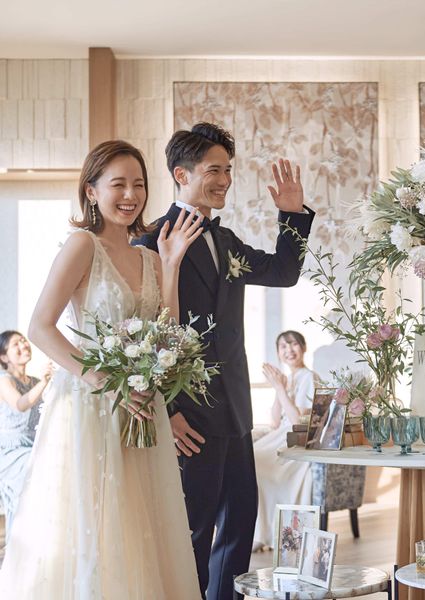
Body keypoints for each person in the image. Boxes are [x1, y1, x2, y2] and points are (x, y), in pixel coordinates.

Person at [0, 140, 203, 598]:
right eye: (118, 184)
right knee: (97, 523)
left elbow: (166, 333)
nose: (131, 195)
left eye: (139, 184)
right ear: (91, 191)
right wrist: (103, 381)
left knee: (141, 524)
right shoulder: (82, 246)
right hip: (91, 407)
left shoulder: (149, 256)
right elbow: (40, 326)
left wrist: (171, 265)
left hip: (142, 406)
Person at [134, 122, 314, 600]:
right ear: (182, 174)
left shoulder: (227, 240)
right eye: (214, 170)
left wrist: (292, 216)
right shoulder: (149, 243)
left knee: (239, 522)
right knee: (193, 531)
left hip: (235, 409)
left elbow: (283, 272)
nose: (225, 180)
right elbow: (144, 337)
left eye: (228, 170)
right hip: (188, 415)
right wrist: (167, 411)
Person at [252, 330, 319, 552]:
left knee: (259, 465)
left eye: (293, 344)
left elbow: (297, 421)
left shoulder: (309, 377)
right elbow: (274, 421)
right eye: (283, 346)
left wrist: (281, 388)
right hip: (279, 434)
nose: (289, 350)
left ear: (303, 347)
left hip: (296, 437)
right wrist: (278, 388)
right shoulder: (288, 379)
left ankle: (266, 534)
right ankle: (259, 531)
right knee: (248, 460)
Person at [0, 331, 52, 533]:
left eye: (23, 340)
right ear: (4, 357)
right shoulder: (4, 380)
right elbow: (20, 404)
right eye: (16, 344)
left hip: (34, 446)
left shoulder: (34, 381)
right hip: (12, 453)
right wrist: (44, 382)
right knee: (27, 494)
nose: (23, 344)